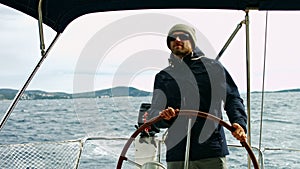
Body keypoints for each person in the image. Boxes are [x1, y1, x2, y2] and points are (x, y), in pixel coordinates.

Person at [148, 24, 247, 169]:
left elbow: (232, 99)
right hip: (177, 153)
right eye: (173, 37)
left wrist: (239, 123)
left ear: (192, 41)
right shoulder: (163, 77)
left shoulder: (214, 68)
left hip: (210, 151)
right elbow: (154, 113)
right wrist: (163, 116)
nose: (178, 40)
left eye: (183, 36)